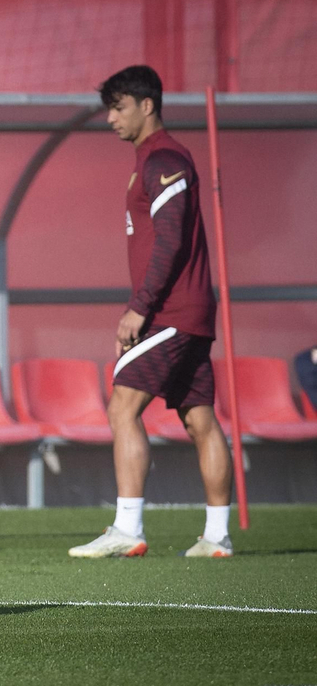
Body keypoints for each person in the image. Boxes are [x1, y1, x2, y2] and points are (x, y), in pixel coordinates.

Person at [70, 65, 232, 559]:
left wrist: (139, 308)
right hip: (189, 310)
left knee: (123, 403)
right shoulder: (155, 159)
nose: (111, 119)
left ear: (147, 105)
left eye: (118, 108)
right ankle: (217, 537)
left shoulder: (163, 159)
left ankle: (128, 528)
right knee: (199, 417)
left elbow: (172, 238)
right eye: (109, 110)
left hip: (171, 310)